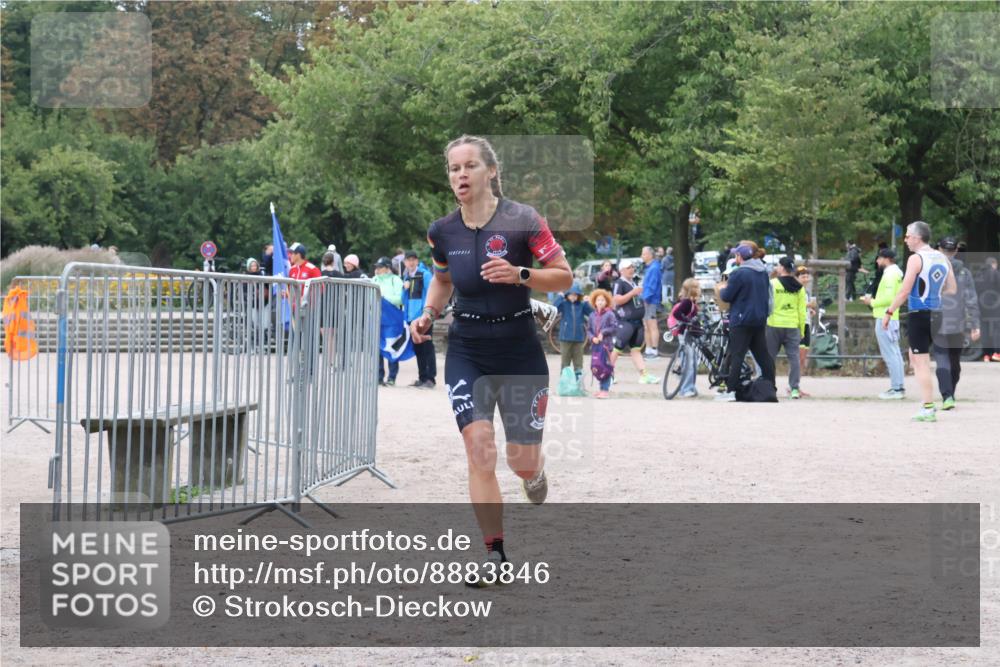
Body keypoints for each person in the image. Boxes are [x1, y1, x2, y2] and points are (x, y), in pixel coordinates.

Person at [408, 134, 573, 584]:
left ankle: (533, 473)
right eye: (453, 169)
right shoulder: (442, 230)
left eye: (469, 167)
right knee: (479, 452)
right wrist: (428, 313)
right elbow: (442, 281)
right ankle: (495, 554)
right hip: (468, 350)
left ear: (491, 171)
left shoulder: (523, 220)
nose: (460, 175)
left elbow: (563, 277)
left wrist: (521, 274)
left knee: (520, 461)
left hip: (519, 349)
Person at [881, 221, 958, 422]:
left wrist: (889, 312)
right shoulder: (943, 258)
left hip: (919, 313)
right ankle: (932, 402)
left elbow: (905, 290)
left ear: (917, 237)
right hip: (938, 312)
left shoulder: (916, 259)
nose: (905, 240)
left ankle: (928, 407)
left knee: (921, 362)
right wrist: (933, 292)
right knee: (917, 358)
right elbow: (952, 289)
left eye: (907, 236)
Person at [715, 241, 776, 401]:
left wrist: (722, 289)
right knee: (763, 356)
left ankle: (730, 391)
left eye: (736, 254)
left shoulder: (739, 273)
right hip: (759, 319)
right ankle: (770, 388)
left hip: (741, 320)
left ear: (739, 256)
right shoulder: (762, 271)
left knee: (737, 355)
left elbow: (727, 296)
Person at [932, 237, 980, 410]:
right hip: (957, 324)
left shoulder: (932, 269)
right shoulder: (964, 272)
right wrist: (975, 324)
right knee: (954, 361)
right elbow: (971, 300)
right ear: (956, 251)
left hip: (936, 321)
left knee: (942, 359)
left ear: (939, 250)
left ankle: (947, 396)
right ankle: (950, 393)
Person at [861, 248, 906, 399]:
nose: (877, 261)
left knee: (890, 354)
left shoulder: (890, 275)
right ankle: (898, 387)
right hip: (892, 317)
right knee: (895, 353)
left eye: (879, 258)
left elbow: (888, 298)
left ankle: (896, 389)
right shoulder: (897, 273)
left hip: (885, 317)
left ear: (886, 259)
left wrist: (871, 302)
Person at [610, 260, 659, 384]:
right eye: (628, 267)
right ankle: (607, 374)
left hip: (637, 322)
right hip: (625, 322)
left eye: (632, 267)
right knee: (617, 349)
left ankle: (644, 375)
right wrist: (632, 293)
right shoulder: (619, 283)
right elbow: (617, 300)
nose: (631, 269)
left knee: (636, 350)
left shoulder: (634, 282)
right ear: (622, 270)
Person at [766, 257, 807, 399]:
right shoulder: (799, 287)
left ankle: (769, 386)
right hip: (792, 326)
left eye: (778, 265)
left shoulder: (772, 284)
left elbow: (768, 304)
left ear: (782, 268)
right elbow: (802, 311)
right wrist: (802, 329)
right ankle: (794, 388)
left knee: (769, 357)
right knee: (794, 358)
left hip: (773, 325)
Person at [401, 250, 436, 388]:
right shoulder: (406, 278)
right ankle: (422, 378)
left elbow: (430, 294)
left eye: (413, 259)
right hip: (411, 318)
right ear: (405, 262)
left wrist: (426, 315)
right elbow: (404, 299)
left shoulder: (425, 274)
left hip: (423, 317)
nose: (411, 262)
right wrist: (404, 288)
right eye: (408, 260)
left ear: (417, 260)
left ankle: (431, 379)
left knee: (427, 347)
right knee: (418, 348)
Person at [553, 283, 593, 384]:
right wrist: (559, 296)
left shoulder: (582, 305)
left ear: (579, 295)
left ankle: (579, 384)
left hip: (579, 339)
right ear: (567, 295)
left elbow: (592, 313)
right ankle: (564, 384)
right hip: (565, 338)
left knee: (578, 363)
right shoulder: (563, 304)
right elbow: (553, 308)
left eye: (576, 295)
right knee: (565, 363)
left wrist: (587, 302)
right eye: (571, 294)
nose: (573, 296)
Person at [373, 257, 404, 386]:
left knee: (392, 347)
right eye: (377, 267)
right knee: (377, 348)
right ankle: (379, 377)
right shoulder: (373, 280)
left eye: (380, 267)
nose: (377, 269)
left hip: (392, 319)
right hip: (377, 317)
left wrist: (384, 298)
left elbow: (400, 299)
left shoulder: (396, 280)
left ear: (387, 268)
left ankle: (392, 377)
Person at [669, 278, 702, 398]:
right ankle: (686, 388)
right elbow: (677, 313)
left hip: (689, 334)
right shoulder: (687, 302)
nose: (699, 290)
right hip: (685, 334)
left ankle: (689, 386)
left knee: (692, 361)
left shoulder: (692, 302)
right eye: (697, 287)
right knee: (689, 361)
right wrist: (687, 321)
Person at [587, 289, 618, 399]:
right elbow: (589, 330)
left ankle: (605, 390)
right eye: (598, 300)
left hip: (606, 345)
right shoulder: (592, 315)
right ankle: (601, 389)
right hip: (596, 346)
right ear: (594, 302)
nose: (600, 302)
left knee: (606, 367)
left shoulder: (610, 314)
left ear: (606, 302)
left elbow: (614, 327)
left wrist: (603, 333)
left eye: (602, 300)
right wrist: (592, 338)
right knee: (597, 366)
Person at [640, 246, 663, 359]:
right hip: (648, 299)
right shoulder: (650, 267)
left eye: (643, 254)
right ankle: (648, 350)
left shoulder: (654, 268)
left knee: (652, 325)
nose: (642, 256)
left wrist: (645, 298)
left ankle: (654, 350)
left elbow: (652, 286)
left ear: (650, 255)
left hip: (651, 300)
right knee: (646, 325)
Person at [976, 257, 1000, 362]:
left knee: (985, 331)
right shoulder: (995, 273)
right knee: (996, 330)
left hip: (980, 307)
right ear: (994, 264)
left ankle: (986, 354)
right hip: (994, 307)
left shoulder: (978, 275)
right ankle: (997, 353)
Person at [795, 265, 817, 378]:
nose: (806, 279)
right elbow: (794, 305)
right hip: (799, 324)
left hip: (807, 323)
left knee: (804, 357)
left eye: (807, 277)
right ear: (797, 278)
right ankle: (793, 384)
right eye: (803, 277)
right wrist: (808, 305)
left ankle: (797, 383)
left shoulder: (806, 291)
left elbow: (803, 307)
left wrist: (810, 310)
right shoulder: (795, 289)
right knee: (798, 356)